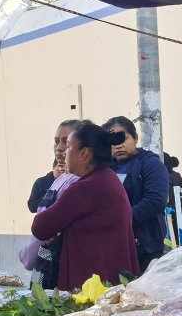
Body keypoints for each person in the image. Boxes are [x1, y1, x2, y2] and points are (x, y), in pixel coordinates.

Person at [29, 121, 138, 291]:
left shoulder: (86, 187)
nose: (63, 152)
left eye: (69, 147)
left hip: (91, 288)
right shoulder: (108, 178)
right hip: (108, 280)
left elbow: (40, 227)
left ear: (85, 154)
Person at [104, 114, 170, 269]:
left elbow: (156, 201)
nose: (118, 145)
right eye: (113, 142)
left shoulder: (150, 164)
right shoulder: (106, 168)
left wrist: (122, 220)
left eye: (123, 139)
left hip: (146, 246)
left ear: (135, 138)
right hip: (113, 246)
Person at [26, 121, 79, 284]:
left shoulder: (86, 182)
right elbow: (38, 209)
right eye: (56, 141)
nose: (59, 148)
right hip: (46, 259)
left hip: (71, 261)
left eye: (65, 141)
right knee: (38, 301)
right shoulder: (54, 180)